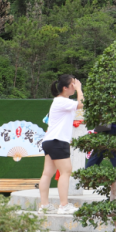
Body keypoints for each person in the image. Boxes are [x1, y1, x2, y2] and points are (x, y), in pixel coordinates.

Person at [38, 75, 83, 214]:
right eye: (72, 85)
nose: (74, 87)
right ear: (65, 88)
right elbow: (81, 104)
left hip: (50, 141)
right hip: (57, 141)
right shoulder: (61, 101)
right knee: (66, 171)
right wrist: (80, 89)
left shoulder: (62, 102)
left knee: (47, 174)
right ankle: (64, 205)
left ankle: (44, 206)